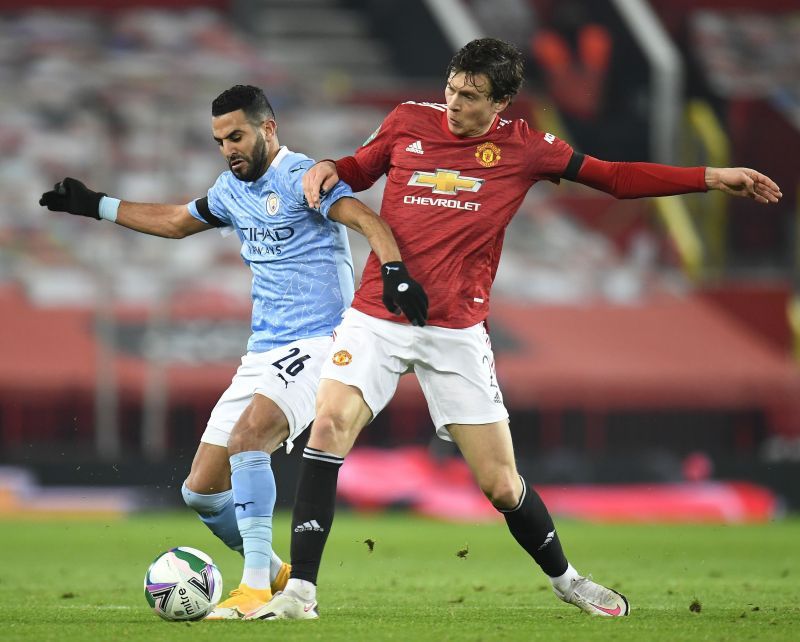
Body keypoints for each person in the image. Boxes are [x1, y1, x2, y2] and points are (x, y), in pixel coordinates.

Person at [246, 38, 782, 621]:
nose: (454, 103)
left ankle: (567, 580)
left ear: (501, 103)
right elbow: (357, 167)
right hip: (378, 313)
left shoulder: (526, 147)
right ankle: (301, 593)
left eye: (471, 96)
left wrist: (709, 176)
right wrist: (329, 166)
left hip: (456, 330)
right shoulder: (408, 121)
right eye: (451, 87)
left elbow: (615, 178)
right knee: (328, 427)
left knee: (501, 485)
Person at [38, 84, 427, 620]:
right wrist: (96, 205)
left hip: (321, 342)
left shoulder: (301, 179)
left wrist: (393, 273)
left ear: (269, 128)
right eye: (220, 140)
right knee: (200, 490)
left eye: (237, 136)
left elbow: (367, 220)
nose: (229, 149)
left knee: (250, 439)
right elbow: (178, 222)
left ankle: (252, 591)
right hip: (263, 351)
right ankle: (272, 573)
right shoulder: (229, 190)